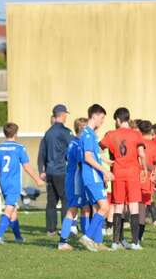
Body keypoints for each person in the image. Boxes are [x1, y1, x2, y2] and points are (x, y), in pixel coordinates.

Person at [100, 107, 147, 251]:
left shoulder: (111, 134)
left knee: (118, 206)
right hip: (133, 173)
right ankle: (135, 243)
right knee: (133, 206)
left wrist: (106, 162)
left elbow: (98, 150)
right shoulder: (136, 134)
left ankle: (115, 242)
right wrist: (144, 169)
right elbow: (141, 154)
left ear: (118, 120)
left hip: (118, 173)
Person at [0, 123, 44, 244]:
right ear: (16, 134)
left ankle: (18, 237)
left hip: (3, 182)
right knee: (9, 208)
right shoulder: (19, 148)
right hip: (13, 183)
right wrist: (37, 179)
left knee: (13, 210)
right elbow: (26, 166)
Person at [79, 104, 114, 252]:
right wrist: (104, 171)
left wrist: (105, 165)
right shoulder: (87, 133)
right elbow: (88, 157)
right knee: (105, 207)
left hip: (96, 176)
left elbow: (95, 155)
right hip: (92, 176)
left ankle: (98, 242)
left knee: (99, 208)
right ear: (94, 116)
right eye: (102, 118)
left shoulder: (92, 134)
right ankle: (87, 237)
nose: (102, 121)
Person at [40, 104, 73, 236]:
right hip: (61, 170)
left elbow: (43, 153)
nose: (66, 117)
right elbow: (72, 149)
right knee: (66, 199)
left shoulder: (48, 133)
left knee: (51, 202)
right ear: (62, 115)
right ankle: (65, 229)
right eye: (65, 114)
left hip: (50, 171)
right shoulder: (65, 132)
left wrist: (42, 169)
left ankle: (51, 229)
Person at [58, 118, 91, 251]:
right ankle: (63, 242)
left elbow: (67, 158)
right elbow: (82, 162)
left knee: (86, 208)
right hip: (76, 181)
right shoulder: (78, 144)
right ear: (82, 129)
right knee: (73, 209)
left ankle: (87, 239)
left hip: (74, 179)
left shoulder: (72, 143)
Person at [138, 120, 156, 242]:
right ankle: (138, 237)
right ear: (151, 131)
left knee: (129, 208)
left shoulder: (135, 143)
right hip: (146, 180)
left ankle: (121, 237)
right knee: (142, 209)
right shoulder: (154, 146)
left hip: (133, 178)